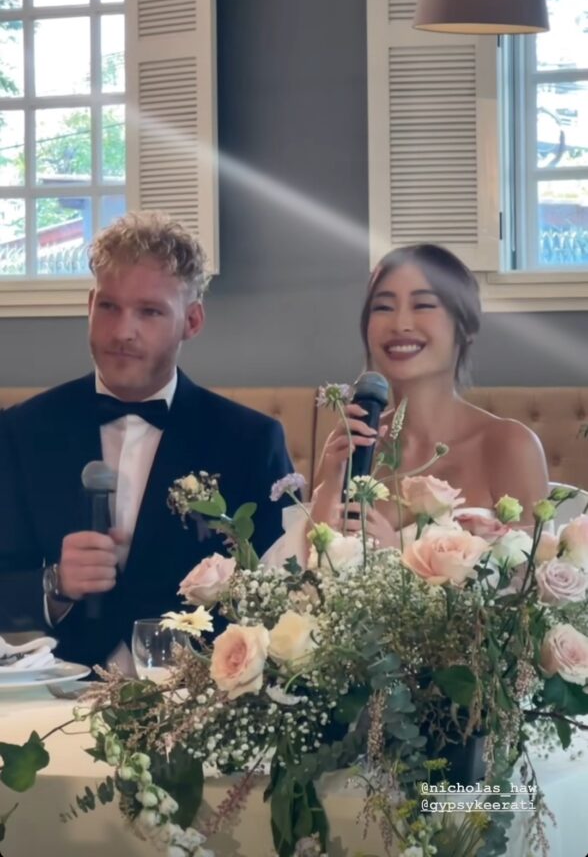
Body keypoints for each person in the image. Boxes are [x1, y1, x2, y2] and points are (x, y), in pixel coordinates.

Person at [0, 212, 293, 667]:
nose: (122, 332)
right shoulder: (23, 430)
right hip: (55, 691)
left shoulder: (251, 441)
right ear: (90, 305)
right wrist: (54, 585)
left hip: (198, 694)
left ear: (192, 320)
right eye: (109, 307)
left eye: (150, 311)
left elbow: (282, 596)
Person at [310, 243, 549, 546]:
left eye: (423, 305)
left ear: (466, 326)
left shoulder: (510, 446)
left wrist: (396, 556)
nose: (400, 324)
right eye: (383, 307)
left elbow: (533, 572)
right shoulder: (353, 447)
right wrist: (330, 485)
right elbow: (309, 567)